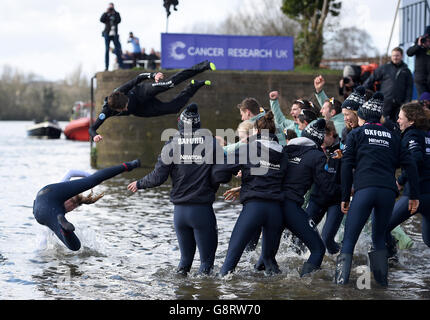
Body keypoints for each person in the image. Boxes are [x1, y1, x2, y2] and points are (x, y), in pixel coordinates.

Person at [336, 92, 420, 287]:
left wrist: (345, 196)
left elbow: (347, 166)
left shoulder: (356, 134)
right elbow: (411, 165)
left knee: (349, 239)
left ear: (362, 117)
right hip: (387, 192)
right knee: (379, 238)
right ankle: (382, 286)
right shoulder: (393, 136)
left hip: (364, 189)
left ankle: (339, 287)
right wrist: (414, 195)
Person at [127, 103, 222, 275]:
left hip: (180, 214)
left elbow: (158, 177)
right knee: (206, 266)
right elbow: (222, 175)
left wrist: (139, 183)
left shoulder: (171, 146)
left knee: (184, 264)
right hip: (202, 211)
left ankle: (179, 297)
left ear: (180, 124)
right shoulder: (212, 143)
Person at [212, 111, 287, 276]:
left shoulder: (249, 149)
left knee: (228, 267)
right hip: (276, 212)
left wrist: (239, 172)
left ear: (257, 132)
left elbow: (219, 171)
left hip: (254, 208)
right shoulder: (283, 152)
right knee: (270, 266)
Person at [89, 60, 216, 142]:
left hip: (141, 93)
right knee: (173, 109)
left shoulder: (121, 90)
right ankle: (193, 86)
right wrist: (94, 135)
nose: (125, 109)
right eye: (123, 110)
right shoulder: (106, 111)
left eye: (125, 106)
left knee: (169, 84)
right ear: (115, 109)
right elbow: (92, 128)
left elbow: (138, 78)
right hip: (140, 109)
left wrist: (153, 75)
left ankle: (202, 66)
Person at [33, 160, 141, 251]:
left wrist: (92, 180)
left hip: (44, 193)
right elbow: (72, 172)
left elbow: (70, 173)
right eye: (73, 205)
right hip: (42, 210)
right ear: (69, 201)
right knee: (75, 246)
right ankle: (129, 165)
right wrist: (92, 180)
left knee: (74, 245)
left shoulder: (60, 194)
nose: (72, 208)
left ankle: (130, 165)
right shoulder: (55, 213)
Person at [278, 118, 340, 276]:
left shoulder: (285, 149)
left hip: (271, 206)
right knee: (318, 249)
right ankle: (305, 287)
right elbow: (326, 187)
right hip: (291, 207)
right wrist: (346, 193)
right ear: (318, 141)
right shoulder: (316, 155)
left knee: (267, 257)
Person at [385, 102, 430, 261]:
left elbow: (415, 158)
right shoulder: (427, 135)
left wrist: (401, 180)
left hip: (414, 195)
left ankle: (391, 260)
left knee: (383, 226)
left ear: (411, 121)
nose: (398, 121)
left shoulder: (412, 135)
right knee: (428, 240)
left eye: (400, 117)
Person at [305, 120, 343, 255]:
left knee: (327, 238)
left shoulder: (343, 148)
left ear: (331, 134)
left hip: (336, 201)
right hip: (317, 198)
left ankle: (342, 255)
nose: (321, 139)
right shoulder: (316, 149)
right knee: (303, 233)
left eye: (324, 136)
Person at [363, 47, 413, 121]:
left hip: (400, 104)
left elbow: (409, 87)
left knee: (398, 124)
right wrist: (364, 92)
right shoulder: (384, 68)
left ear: (402, 56)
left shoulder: (406, 70)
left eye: (397, 55)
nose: (395, 57)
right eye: (393, 55)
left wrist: (407, 102)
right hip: (385, 102)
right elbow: (370, 80)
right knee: (383, 123)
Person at [406, 26, 430, 97]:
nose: (428, 41)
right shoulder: (418, 45)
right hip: (420, 79)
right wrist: (418, 45)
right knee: (423, 100)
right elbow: (409, 53)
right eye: (427, 39)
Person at [100, 3, 123, 71]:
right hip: (107, 33)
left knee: (118, 49)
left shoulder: (116, 13)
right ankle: (106, 67)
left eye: (111, 7)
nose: (111, 8)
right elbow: (101, 20)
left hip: (115, 34)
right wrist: (106, 12)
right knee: (107, 50)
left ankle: (120, 66)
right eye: (110, 7)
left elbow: (119, 20)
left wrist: (114, 13)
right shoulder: (106, 13)